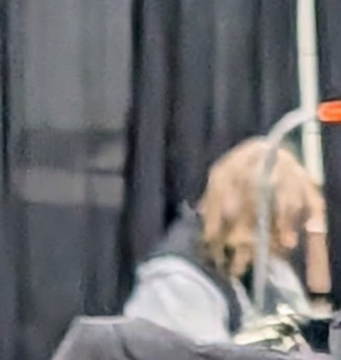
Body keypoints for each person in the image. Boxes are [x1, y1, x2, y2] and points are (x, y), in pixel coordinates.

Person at [123, 136, 322, 343]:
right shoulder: (176, 282)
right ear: (248, 214)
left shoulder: (268, 270)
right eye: (277, 225)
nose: (289, 241)